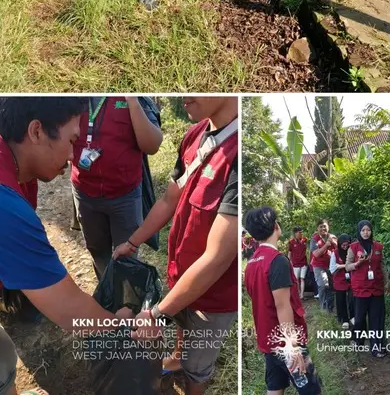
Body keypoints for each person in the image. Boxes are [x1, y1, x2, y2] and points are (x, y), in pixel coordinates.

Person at [0, 97, 155, 395]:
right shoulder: (7, 208)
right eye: (72, 140)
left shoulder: (19, 172)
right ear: (36, 132)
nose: (74, 155)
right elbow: (70, 310)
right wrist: (118, 324)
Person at [113, 96, 238, 395]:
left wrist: (155, 315)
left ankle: (193, 381)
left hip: (213, 297)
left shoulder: (237, 157)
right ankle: (178, 357)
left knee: (199, 365)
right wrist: (133, 241)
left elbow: (217, 259)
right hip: (181, 275)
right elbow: (170, 199)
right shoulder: (195, 136)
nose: (183, 95)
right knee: (182, 325)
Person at [71, 96, 163, 280]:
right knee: (97, 250)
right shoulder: (71, 100)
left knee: (126, 253)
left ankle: (125, 299)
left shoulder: (136, 100)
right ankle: (107, 289)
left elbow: (152, 145)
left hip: (125, 195)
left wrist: (133, 102)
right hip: (84, 192)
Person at [243, 206, 322, 395]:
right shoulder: (277, 260)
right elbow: (282, 305)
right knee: (311, 389)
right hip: (285, 343)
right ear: (276, 226)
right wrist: (292, 347)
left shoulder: (252, 263)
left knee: (275, 387)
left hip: (267, 339)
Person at [346, 220, 388, 358]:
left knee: (376, 319)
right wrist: (358, 263)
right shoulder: (353, 247)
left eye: (368, 230)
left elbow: (382, 267)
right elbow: (347, 266)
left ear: (371, 231)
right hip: (360, 288)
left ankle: (377, 347)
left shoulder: (378, 246)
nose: (366, 232)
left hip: (376, 288)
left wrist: (387, 283)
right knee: (359, 319)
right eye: (363, 230)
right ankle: (358, 340)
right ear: (359, 231)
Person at [309, 220, 336, 313]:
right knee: (324, 285)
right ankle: (323, 310)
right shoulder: (315, 239)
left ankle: (330, 310)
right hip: (320, 266)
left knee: (331, 287)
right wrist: (326, 245)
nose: (323, 228)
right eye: (320, 226)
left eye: (324, 226)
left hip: (331, 266)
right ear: (317, 228)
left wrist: (334, 243)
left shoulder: (332, 237)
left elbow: (340, 249)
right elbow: (316, 254)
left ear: (328, 227)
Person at [329, 234, 353, 328]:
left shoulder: (352, 251)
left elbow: (355, 264)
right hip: (339, 279)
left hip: (351, 279)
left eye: (347, 245)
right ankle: (344, 319)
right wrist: (346, 266)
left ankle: (353, 317)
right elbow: (332, 268)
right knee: (341, 300)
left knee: (352, 299)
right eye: (343, 245)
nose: (345, 247)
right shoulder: (335, 253)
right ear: (339, 244)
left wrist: (342, 266)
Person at [288, 227, 309, 299]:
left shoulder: (305, 240)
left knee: (302, 278)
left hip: (303, 263)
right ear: (295, 233)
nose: (301, 233)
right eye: (299, 232)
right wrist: (288, 262)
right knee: (296, 279)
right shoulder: (291, 242)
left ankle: (302, 295)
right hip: (295, 264)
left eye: (301, 232)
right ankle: (298, 294)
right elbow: (289, 253)